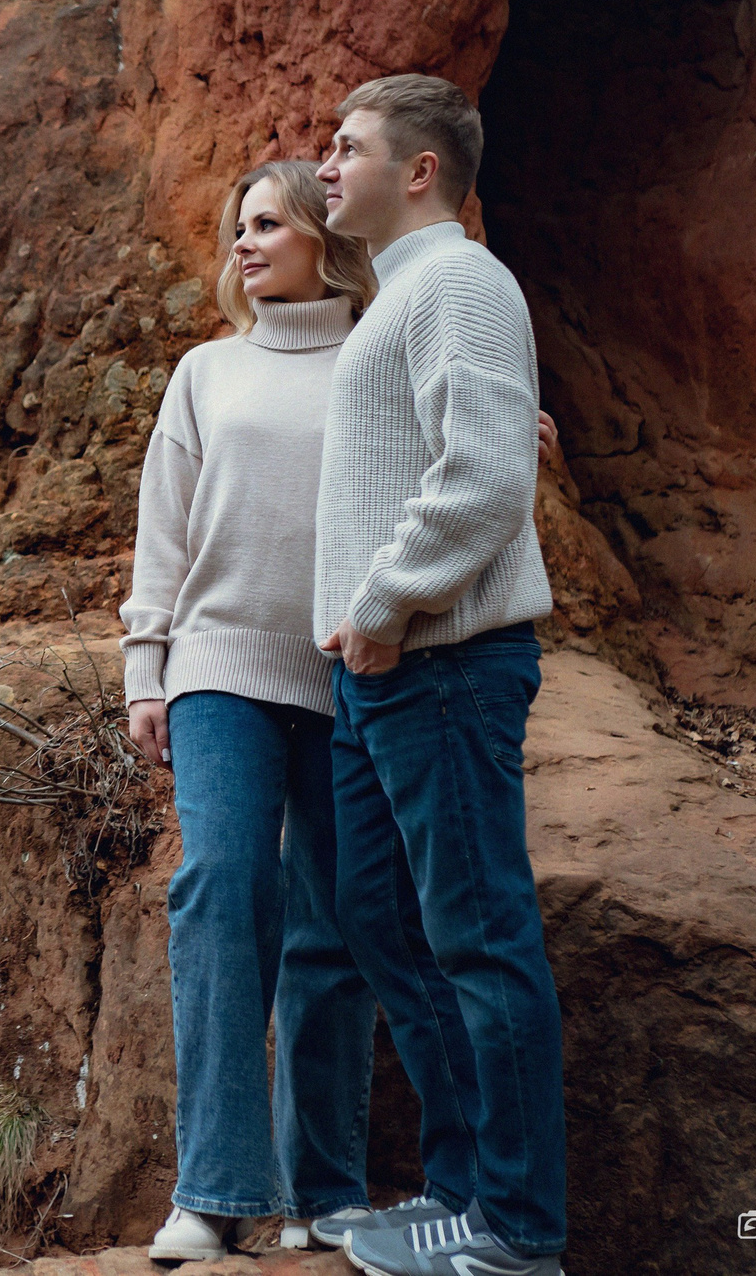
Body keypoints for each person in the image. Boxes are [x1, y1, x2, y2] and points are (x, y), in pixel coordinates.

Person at [309, 75, 566, 1276]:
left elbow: (480, 480)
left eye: (346, 146)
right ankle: (462, 1190)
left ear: (418, 171)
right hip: (383, 673)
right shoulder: (397, 297)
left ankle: (518, 1230)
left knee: (477, 934)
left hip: (442, 659)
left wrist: (378, 604)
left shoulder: (460, 280)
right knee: (390, 927)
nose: (324, 165)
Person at [121, 160, 385, 1264]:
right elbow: (164, 526)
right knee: (223, 892)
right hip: (217, 665)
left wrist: (524, 433)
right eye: (238, 227)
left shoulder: (379, 359)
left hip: (347, 672)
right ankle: (216, 1193)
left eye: (266, 223)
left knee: (335, 925)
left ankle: (326, 1194)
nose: (242, 242)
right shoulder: (205, 373)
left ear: (322, 233)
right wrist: (146, 666)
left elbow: (460, 435)